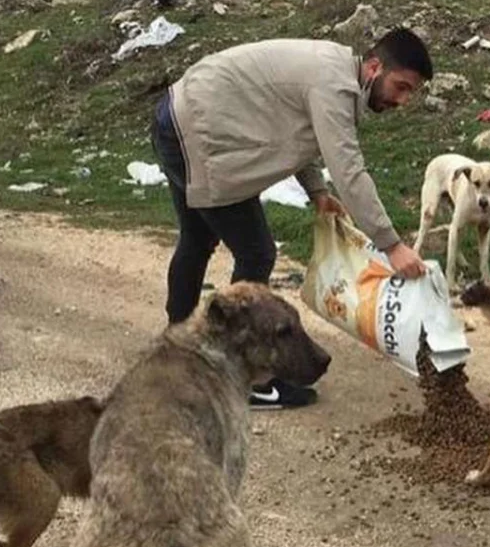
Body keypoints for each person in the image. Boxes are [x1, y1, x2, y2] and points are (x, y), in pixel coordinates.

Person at [150, 29, 432, 410]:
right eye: (400, 87)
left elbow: (297, 129)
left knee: (197, 240)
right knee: (257, 254)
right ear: (374, 67)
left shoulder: (331, 69)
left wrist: (316, 191)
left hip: (180, 117)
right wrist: (392, 245)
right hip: (200, 134)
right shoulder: (335, 86)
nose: (401, 100)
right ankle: (243, 378)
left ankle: (175, 354)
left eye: (410, 92)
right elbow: (349, 171)